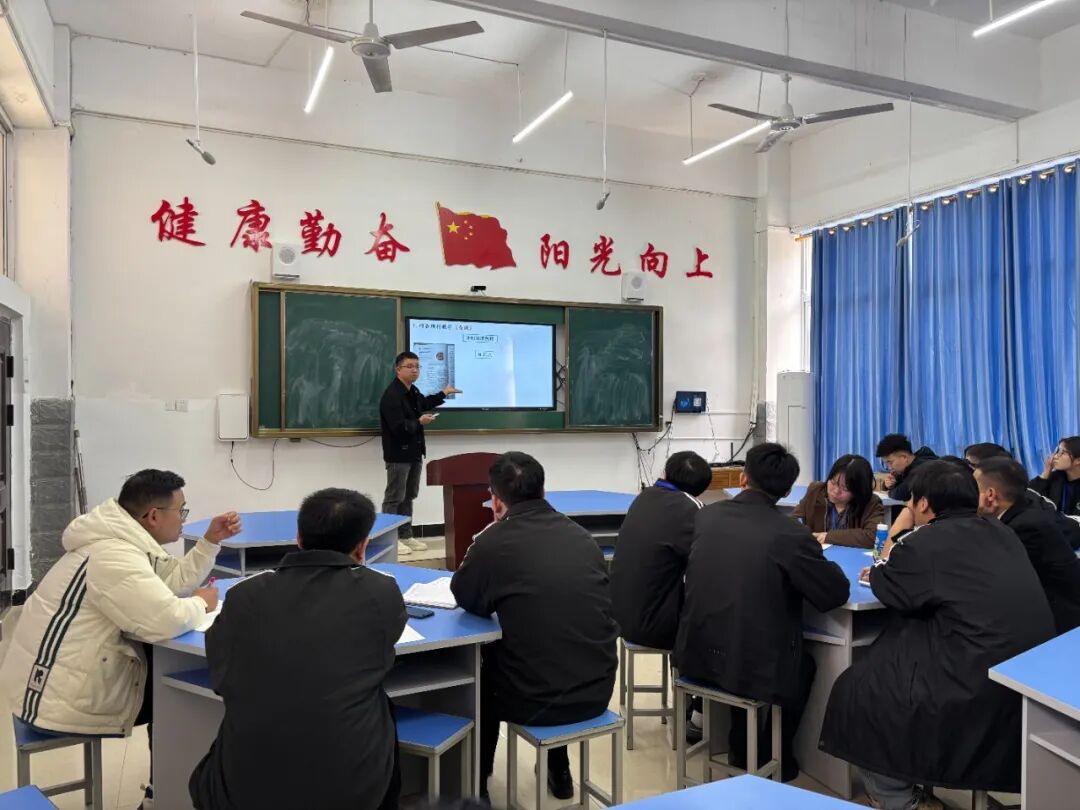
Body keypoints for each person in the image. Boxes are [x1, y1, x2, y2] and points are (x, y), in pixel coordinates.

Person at [820, 461, 1055, 810]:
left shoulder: (926, 542)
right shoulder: (1001, 531)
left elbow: (889, 586)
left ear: (924, 503)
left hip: (973, 680)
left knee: (858, 688)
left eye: (912, 499)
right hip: (1024, 672)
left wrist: (900, 528)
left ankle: (899, 798)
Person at [0, 470, 238, 810]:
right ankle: (165, 793)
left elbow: (172, 582)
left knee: (166, 679)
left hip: (62, 677)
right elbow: (165, 619)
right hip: (57, 696)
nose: (184, 519)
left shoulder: (126, 539)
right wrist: (202, 604)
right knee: (176, 696)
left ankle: (163, 788)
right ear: (154, 516)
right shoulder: (114, 555)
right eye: (181, 511)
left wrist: (210, 541)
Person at [190, 488, 406, 810]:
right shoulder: (381, 592)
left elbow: (221, 673)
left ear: (299, 538)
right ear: (362, 547)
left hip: (244, 789)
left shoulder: (244, 596)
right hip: (354, 790)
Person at [675, 443, 850, 782]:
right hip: (750, 667)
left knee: (743, 637)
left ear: (743, 478)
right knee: (800, 664)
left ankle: (741, 746)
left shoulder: (707, 516)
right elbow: (833, 593)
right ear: (786, 491)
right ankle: (778, 756)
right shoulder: (790, 534)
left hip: (694, 653)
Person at [451, 452, 617, 802]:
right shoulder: (581, 537)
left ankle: (478, 787)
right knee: (554, 644)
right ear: (543, 491)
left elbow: (467, 596)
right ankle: (560, 771)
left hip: (534, 701)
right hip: (597, 690)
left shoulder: (494, 542)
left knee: (481, 674)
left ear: (496, 500)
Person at [610, 451, 710, 650]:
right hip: (655, 627)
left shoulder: (643, 497)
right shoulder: (692, 509)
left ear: (665, 471)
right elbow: (711, 561)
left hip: (617, 615)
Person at [976, 457, 1080, 634]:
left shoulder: (1025, 527)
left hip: (1061, 624)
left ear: (990, 495)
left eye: (974, 489)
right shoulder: (1023, 509)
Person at [379, 350, 461, 557]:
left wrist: (443, 393)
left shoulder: (412, 391)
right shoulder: (392, 395)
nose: (415, 370)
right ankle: (390, 538)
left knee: (408, 496)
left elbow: (423, 404)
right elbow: (397, 427)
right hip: (398, 455)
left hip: (414, 452)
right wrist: (419, 422)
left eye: (417, 366)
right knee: (394, 497)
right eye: (410, 366)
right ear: (398, 369)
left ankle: (405, 535)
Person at [792, 454, 884, 548]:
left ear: (858, 491)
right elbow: (795, 519)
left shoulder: (871, 502)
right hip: (816, 554)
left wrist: (829, 537)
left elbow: (873, 537)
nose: (836, 491)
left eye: (845, 488)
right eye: (833, 482)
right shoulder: (816, 491)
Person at [875, 434, 937, 502]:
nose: (888, 467)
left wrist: (890, 491)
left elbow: (901, 494)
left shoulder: (922, 469)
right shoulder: (911, 466)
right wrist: (888, 485)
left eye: (890, 462)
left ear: (904, 457)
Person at [1030, 436, 1080, 520]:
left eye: (1062, 453)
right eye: (1057, 451)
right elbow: (1030, 497)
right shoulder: (1055, 478)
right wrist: (1046, 472)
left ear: (1078, 460)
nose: (1055, 456)